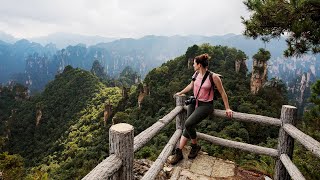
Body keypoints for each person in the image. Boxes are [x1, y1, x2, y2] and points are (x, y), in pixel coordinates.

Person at [171, 53, 233, 165]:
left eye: (194, 63)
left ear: (199, 65)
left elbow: (223, 93)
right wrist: (180, 92)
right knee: (188, 126)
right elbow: (191, 86)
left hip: (206, 105)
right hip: (194, 102)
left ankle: (194, 146)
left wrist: (227, 108)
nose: (192, 65)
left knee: (188, 123)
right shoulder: (196, 74)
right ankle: (179, 152)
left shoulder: (213, 77)